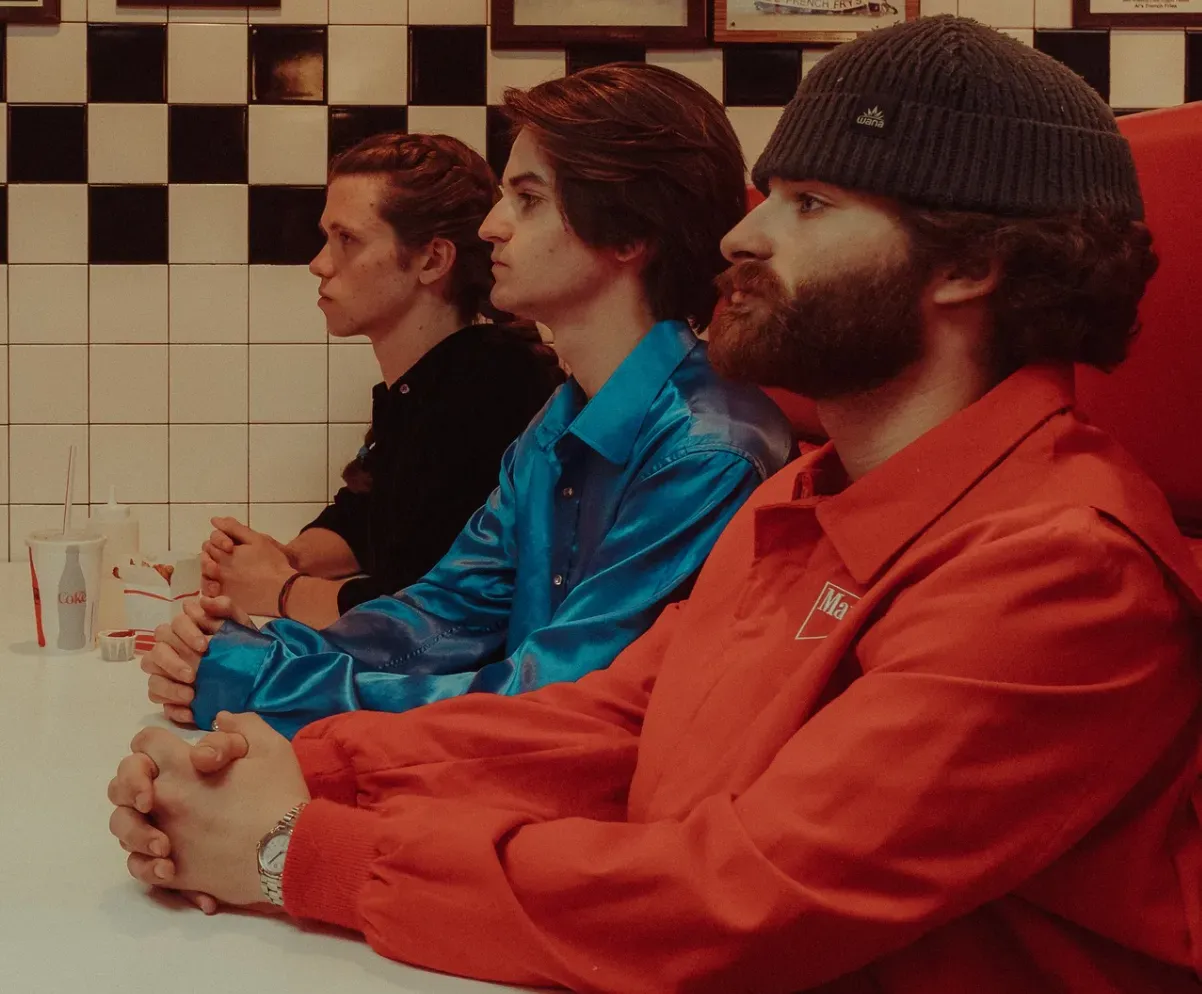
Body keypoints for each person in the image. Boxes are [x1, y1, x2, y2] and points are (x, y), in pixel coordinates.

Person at [110, 16, 1202, 991]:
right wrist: (291, 766)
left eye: (809, 204)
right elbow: (611, 721)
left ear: (968, 267)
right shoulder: (805, 499)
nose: (738, 236)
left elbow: (737, 901)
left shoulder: (1060, 567)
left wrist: (291, 849)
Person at [141, 63, 796, 736]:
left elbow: (563, 700)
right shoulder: (563, 418)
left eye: (528, 199)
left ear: (629, 236)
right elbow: (444, 613)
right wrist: (260, 650)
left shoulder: (704, 450)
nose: (491, 226)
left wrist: (263, 681)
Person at [191, 132, 563, 648]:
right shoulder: (425, 385)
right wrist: (280, 558)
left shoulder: (491, 395)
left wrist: (280, 589)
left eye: (347, 239)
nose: (319, 263)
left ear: (433, 261)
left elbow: (429, 607)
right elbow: (370, 514)